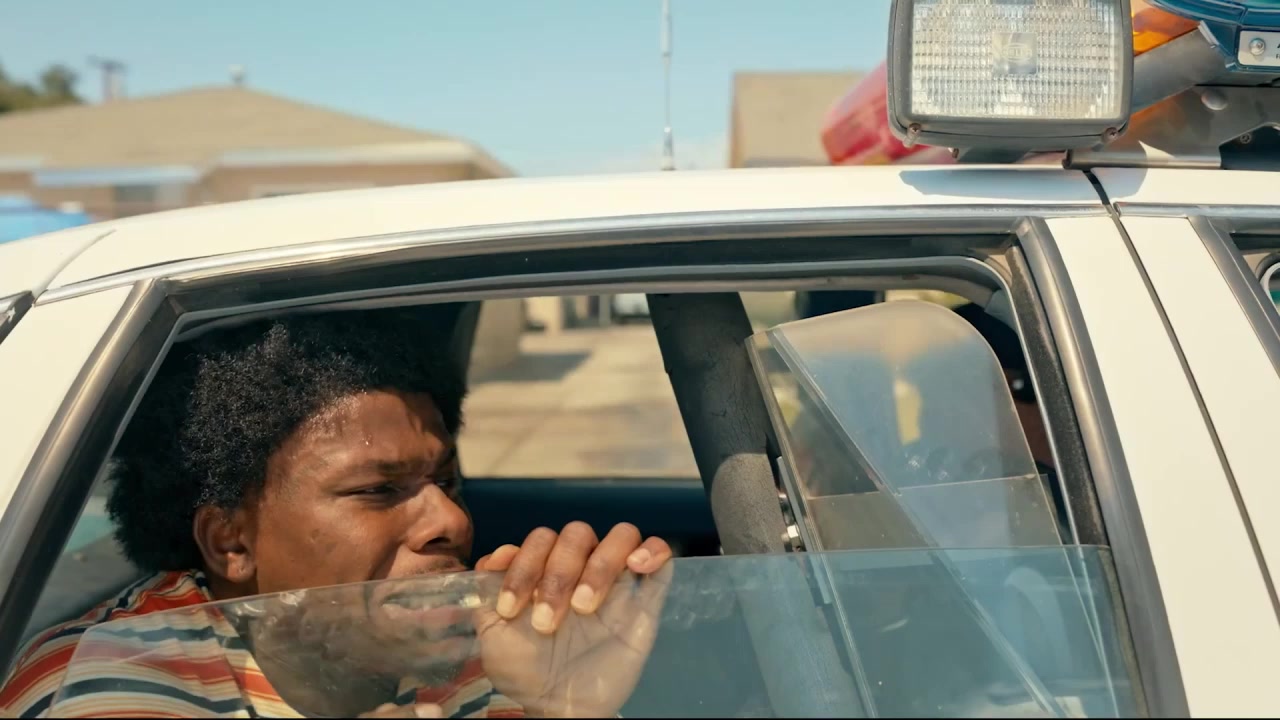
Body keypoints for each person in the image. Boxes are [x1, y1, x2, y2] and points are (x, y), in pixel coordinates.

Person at [0, 306, 674, 718]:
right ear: (231, 542)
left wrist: (561, 712)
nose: (451, 520)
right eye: (379, 490)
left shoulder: (481, 655)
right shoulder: (111, 679)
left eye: (446, 480)